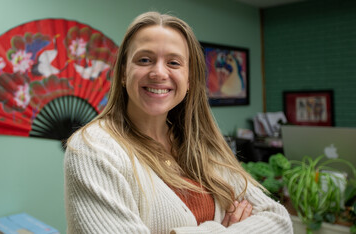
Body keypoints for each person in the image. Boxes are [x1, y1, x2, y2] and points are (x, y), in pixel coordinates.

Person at [64, 11, 293, 234]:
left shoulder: (201, 144)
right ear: (123, 73)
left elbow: (278, 220)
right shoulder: (92, 148)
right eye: (144, 60)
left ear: (190, 79)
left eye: (174, 63)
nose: (159, 73)